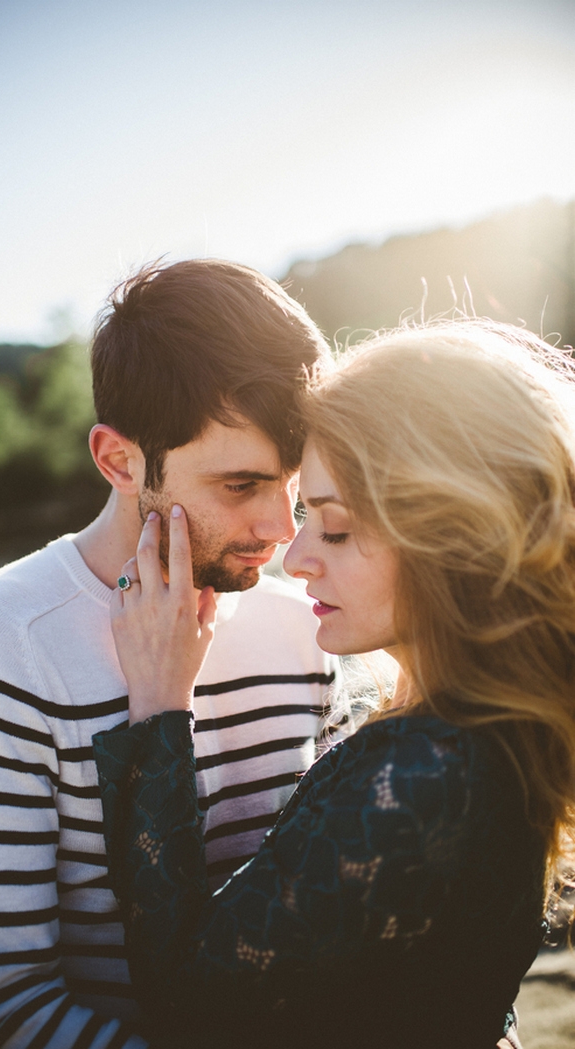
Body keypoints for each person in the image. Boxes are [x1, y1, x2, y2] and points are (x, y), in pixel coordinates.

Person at [0, 259, 336, 1049]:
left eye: (293, 484)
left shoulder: (311, 620)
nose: (282, 529)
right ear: (119, 460)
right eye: (240, 485)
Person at [93, 320, 575, 1049]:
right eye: (302, 514)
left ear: (459, 536)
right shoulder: (484, 725)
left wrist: (159, 708)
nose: (298, 558)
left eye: (337, 528)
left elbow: (189, 1004)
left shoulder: (428, 769)